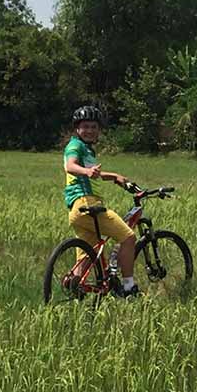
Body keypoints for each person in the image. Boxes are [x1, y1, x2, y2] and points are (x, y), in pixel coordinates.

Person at [63, 105, 139, 297]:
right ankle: (129, 288)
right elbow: (70, 166)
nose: (90, 130)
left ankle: (74, 283)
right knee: (129, 238)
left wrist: (113, 176)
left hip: (77, 211)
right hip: (87, 204)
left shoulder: (87, 151)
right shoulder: (75, 146)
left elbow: (93, 173)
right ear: (77, 129)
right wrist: (87, 171)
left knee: (89, 255)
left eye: (94, 127)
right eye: (85, 126)